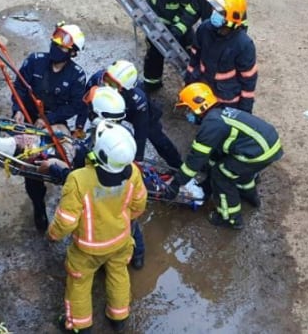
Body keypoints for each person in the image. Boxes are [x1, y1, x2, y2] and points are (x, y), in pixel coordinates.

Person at [48, 121, 146, 333]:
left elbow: (66, 221)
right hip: (120, 240)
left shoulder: (79, 179)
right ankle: (119, 318)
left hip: (87, 249)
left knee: (79, 283)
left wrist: (53, 234)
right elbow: (139, 206)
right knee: (118, 274)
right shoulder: (133, 173)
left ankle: (80, 326)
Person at [44, 86, 149, 271]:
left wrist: (54, 168)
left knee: (99, 224)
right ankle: (137, 255)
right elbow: (138, 203)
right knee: (130, 224)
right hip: (122, 203)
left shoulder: (94, 146)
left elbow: (78, 179)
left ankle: (104, 257)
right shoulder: (124, 137)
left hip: (98, 204)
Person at [164, 83, 282, 229]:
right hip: (268, 145)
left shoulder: (211, 126)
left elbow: (195, 161)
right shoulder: (220, 113)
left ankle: (230, 218)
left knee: (221, 175)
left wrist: (176, 184)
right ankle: (250, 196)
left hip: (258, 153)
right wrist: (206, 184)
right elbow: (215, 153)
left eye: (188, 109)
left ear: (198, 107)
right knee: (238, 171)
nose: (187, 113)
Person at [12, 23, 87, 232]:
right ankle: (38, 205)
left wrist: (50, 119)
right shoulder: (35, 62)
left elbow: (75, 105)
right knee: (30, 163)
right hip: (28, 119)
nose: (55, 49)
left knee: (68, 157)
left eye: (61, 47)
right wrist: (17, 109)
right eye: (54, 43)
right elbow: (19, 87)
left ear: (72, 53)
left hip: (55, 121)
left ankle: (71, 199)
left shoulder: (76, 76)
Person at [80, 59, 183, 169]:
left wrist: (138, 159)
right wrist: (79, 126)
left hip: (134, 112)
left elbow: (141, 132)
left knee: (156, 135)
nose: (106, 84)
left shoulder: (138, 101)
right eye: (106, 78)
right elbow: (86, 105)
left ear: (125, 89)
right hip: (109, 112)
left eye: (113, 84)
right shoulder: (96, 80)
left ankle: (177, 165)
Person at [184, 0, 257, 113]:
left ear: (231, 18)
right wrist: (189, 82)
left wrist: (244, 114)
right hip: (204, 91)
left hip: (227, 102)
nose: (214, 13)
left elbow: (248, 83)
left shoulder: (244, 45)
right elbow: (194, 57)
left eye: (220, 12)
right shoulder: (205, 29)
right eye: (215, 9)